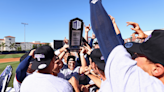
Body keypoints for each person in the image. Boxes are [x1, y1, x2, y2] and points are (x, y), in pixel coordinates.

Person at [90, 0, 164, 92]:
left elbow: (104, 33)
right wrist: (146, 36)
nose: (133, 58)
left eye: (138, 55)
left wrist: (94, 2)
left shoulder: (144, 86)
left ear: (157, 69)